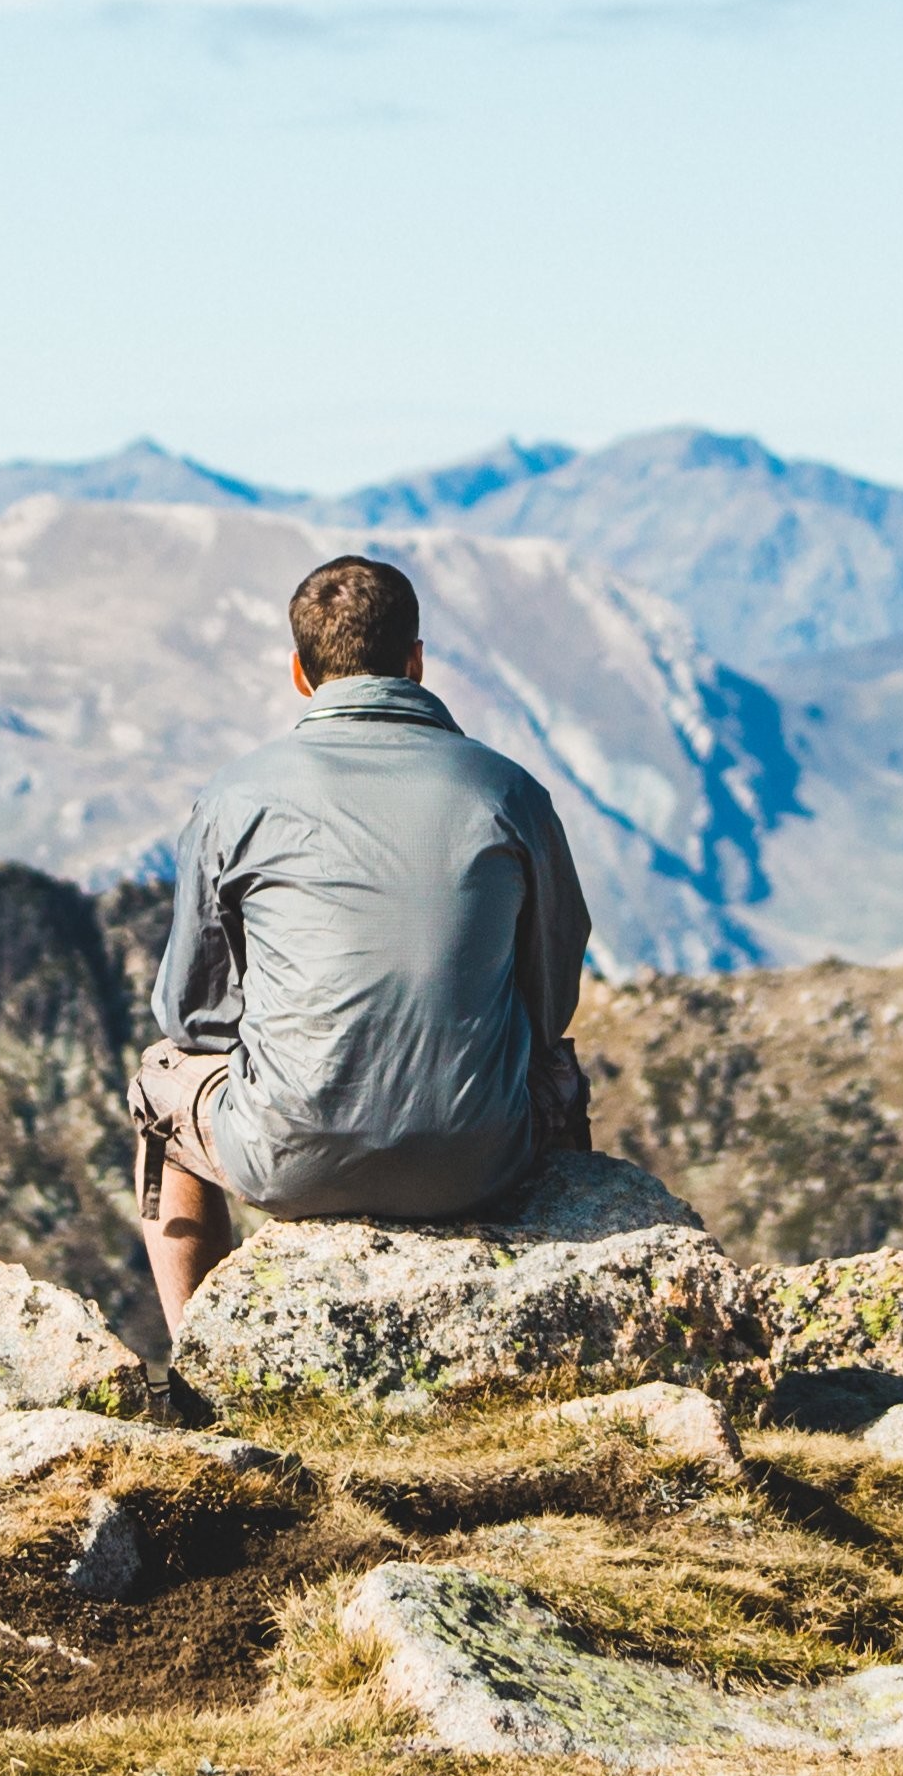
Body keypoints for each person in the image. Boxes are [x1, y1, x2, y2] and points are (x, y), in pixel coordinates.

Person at [131, 552, 593, 1333]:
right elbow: (547, 1005)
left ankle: (193, 1360)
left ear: (299, 674)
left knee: (158, 1081)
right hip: (483, 1158)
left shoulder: (235, 796)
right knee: (557, 1070)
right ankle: (571, 1315)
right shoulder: (507, 790)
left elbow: (193, 1017)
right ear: (415, 661)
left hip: (287, 1158)